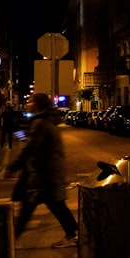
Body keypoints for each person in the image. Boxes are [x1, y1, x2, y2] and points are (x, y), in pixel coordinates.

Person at [7, 93, 78, 248]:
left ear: (38, 104)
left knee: (29, 208)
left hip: (44, 174)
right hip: (47, 173)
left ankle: (8, 241)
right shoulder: (46, 122)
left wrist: (14, 167)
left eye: (31, 101)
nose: (28, 103)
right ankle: (73, 234)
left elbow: (31, 148)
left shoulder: (40, 123)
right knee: (55, 205)